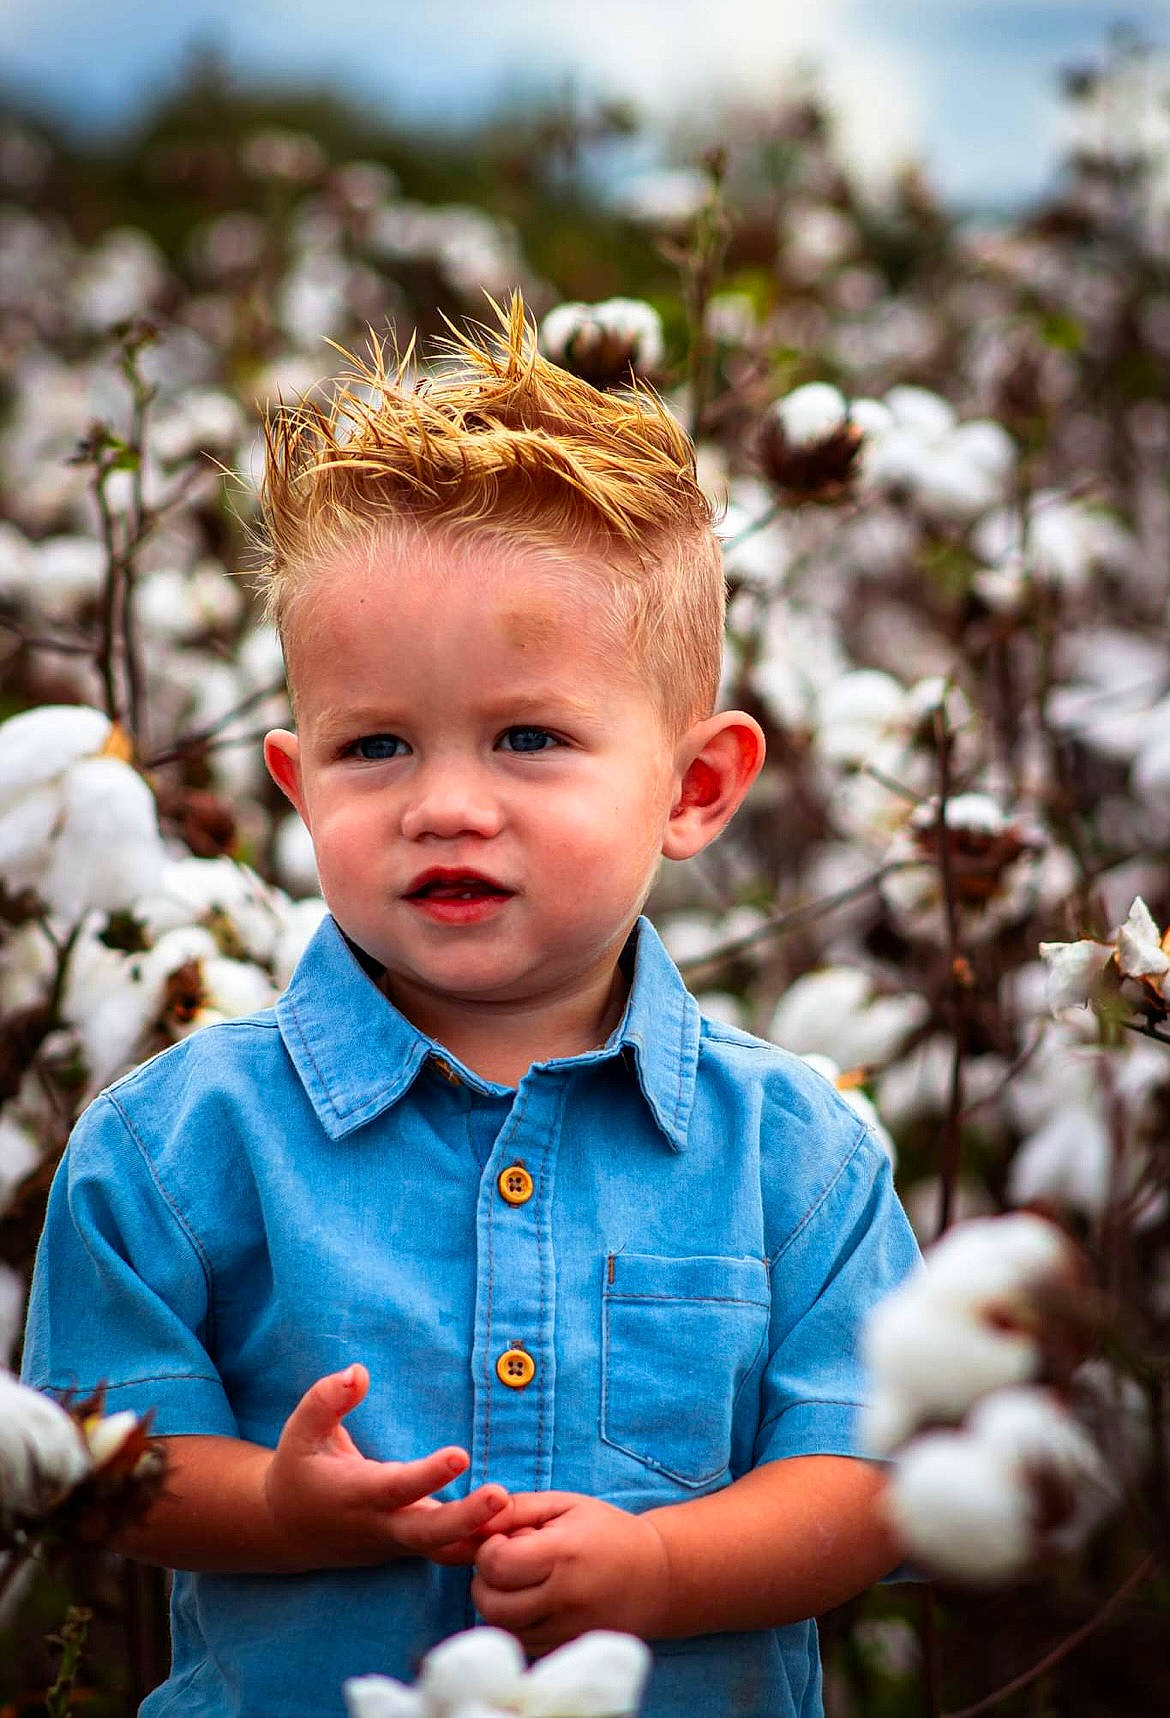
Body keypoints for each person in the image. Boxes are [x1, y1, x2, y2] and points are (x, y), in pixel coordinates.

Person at [23, 296, 919, 1718]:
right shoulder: (174, 1145)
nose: (446, 802)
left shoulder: (795, 1153)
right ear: (297, 783)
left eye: (528, 737)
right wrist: (281, 1504)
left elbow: (875, 1478)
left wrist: (664, 1568)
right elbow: (84, 1460)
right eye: (374, 743)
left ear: (694, 787)